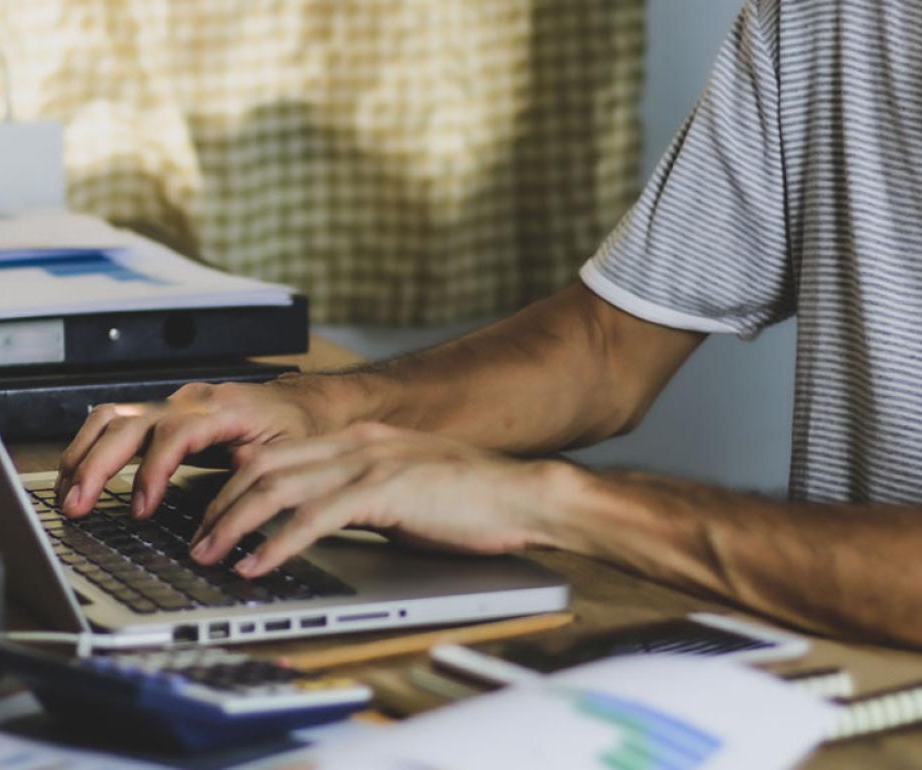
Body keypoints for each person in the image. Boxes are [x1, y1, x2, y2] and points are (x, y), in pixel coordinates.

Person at [55, 0, 922, 648]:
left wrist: (561, 502)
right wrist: (333, 408)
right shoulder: (827, 17)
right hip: (837, 665)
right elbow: (606, 350)